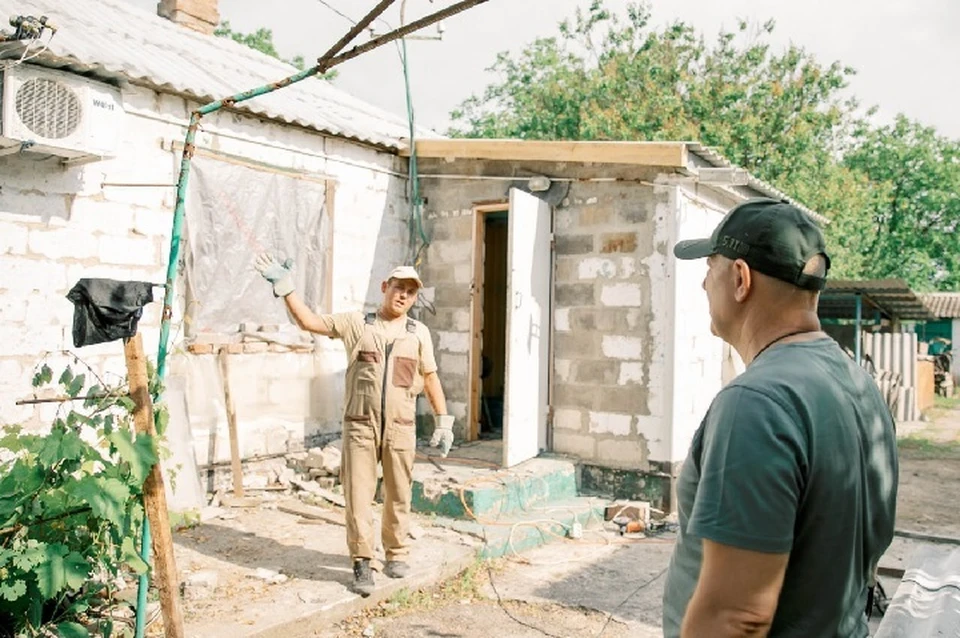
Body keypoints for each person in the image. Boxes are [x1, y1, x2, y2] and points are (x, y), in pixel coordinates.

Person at [662, 198, 899, 637]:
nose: (702, 286)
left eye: (709, 268)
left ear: (739, 279)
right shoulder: (859, 386)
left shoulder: (756, 403)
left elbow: (737, 617)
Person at [255, 255, 451, 596]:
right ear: (384, 288)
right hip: (361, 426)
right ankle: (363, 560)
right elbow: (310, 323)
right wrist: (286, 289)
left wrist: (443, 421)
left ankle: (397, 552)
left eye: (410, 291)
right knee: (359, 497)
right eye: (397, 287)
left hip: (401, 427)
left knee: (399, 494)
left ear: (415, 298)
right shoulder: (357, 323)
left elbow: (430, 377)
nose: (402, 295)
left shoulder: (418, 333)